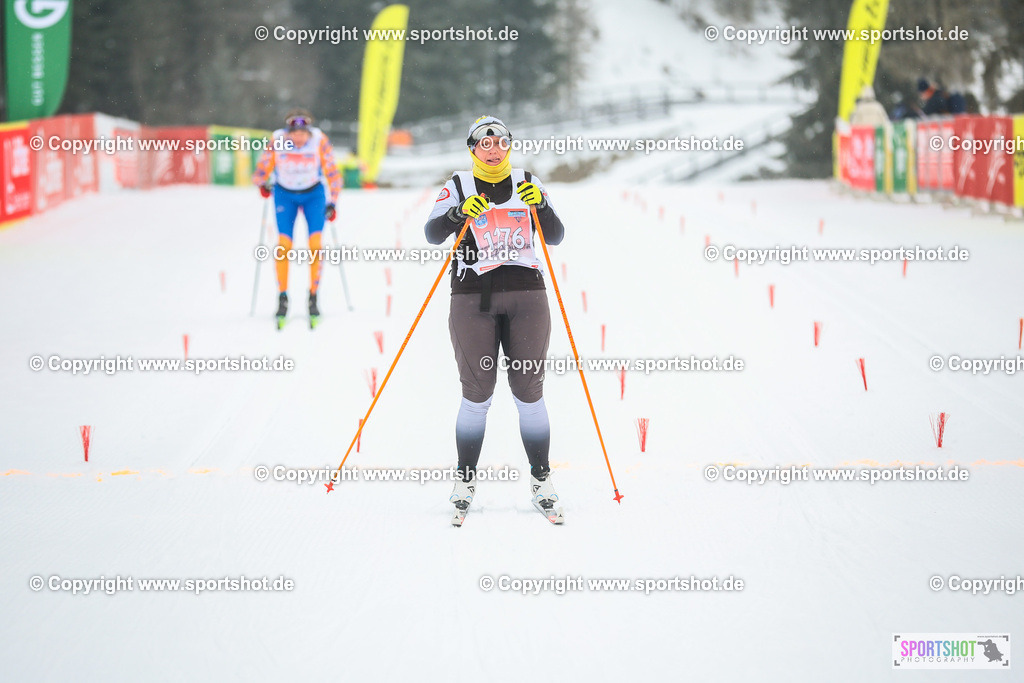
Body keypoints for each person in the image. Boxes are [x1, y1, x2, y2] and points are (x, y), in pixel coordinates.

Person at [424, 115, 566, 518]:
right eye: (484, 144)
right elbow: (432, 234)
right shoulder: (458, 186)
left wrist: (540, 206)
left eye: (500, 142)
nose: (493, 150)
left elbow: (555, 235)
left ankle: (541, 480)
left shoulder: (528, 182)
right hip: (473, 299)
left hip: (527, 297)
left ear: (509, 145)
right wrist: (457, 215)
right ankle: (465, 480)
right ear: (472, 149)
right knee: (476, 392)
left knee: (529, 390)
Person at [252, 109, 342, 328]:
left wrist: (333, 202)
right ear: (288, 132)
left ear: (308, 132)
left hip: (314, 195)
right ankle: (283, 297)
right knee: (283, 245)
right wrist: (262, 183)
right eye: (294, 134)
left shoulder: (319, 140)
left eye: (302, 133)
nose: (299, 138)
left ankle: (313, 297)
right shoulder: (277, 140)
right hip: (285, 195)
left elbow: (332, 173)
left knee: (315, 245)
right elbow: (262, 169)